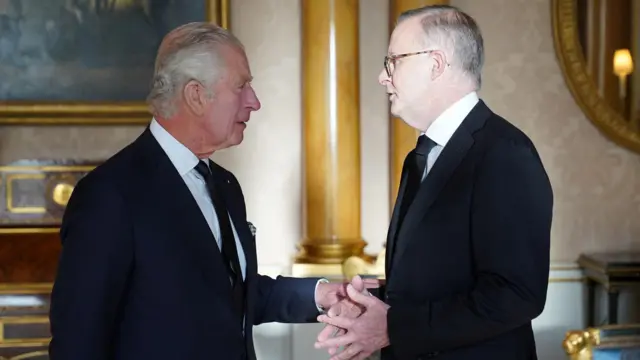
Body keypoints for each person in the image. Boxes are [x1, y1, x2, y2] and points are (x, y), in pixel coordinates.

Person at [48, 22, 366, 360]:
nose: (254, 102)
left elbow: (228, 295)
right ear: (196, 95)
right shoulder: (110, 195)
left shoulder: (225, 185)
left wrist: (321, 294)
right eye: (242, 86)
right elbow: (77, 342)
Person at [315, 5, 553, 360]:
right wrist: (372, 304)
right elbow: (435, 277)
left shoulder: (504, 153)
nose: (383, 76)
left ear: (436, 64)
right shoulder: (420, 157)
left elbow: (516, 295)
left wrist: (393, 327)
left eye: (393, 60)